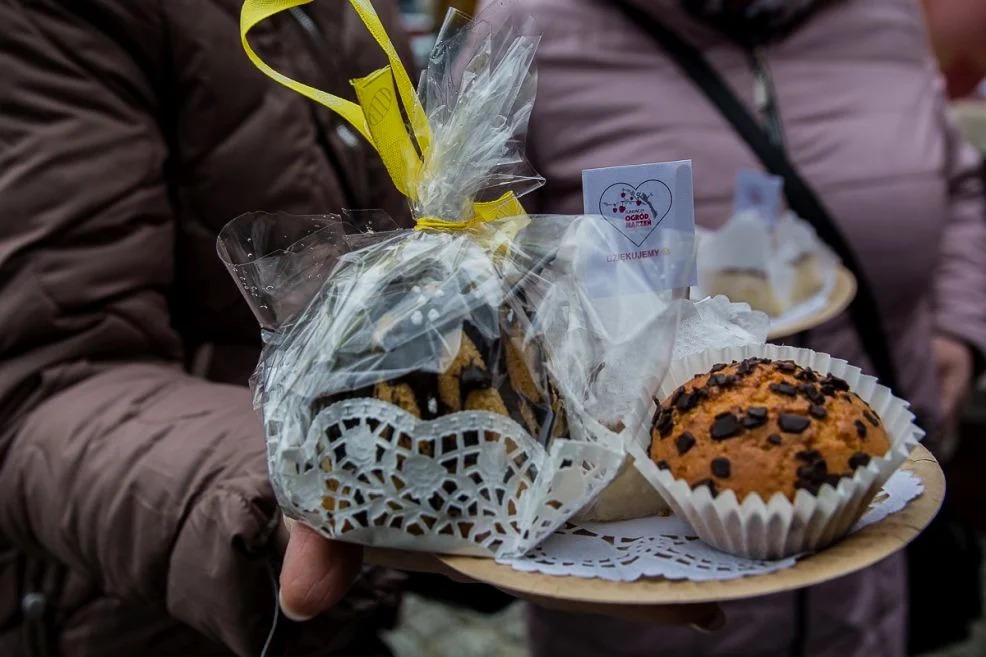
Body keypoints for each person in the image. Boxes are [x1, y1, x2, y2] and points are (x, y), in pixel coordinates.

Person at [483, 0, 986, 655]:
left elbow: (962, 188)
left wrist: (960, 326)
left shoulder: (887, 12)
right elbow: (476, 270)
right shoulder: (526, 22)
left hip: (866, 564)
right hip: (642, 580)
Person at [0, 1, 416, 655]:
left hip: (338, 608)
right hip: (130, 614)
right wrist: (307, 471)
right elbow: (42, 382)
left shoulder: (344, 11)